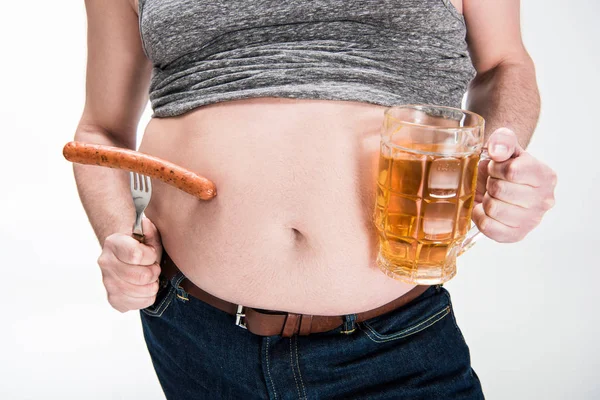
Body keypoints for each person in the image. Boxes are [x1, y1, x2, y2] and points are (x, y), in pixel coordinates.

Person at [73, 0, 556, 398]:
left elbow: (503, 64)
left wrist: (497, 158)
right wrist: (120, 239)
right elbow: (101, 131)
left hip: (393, 334)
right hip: (195, 333)